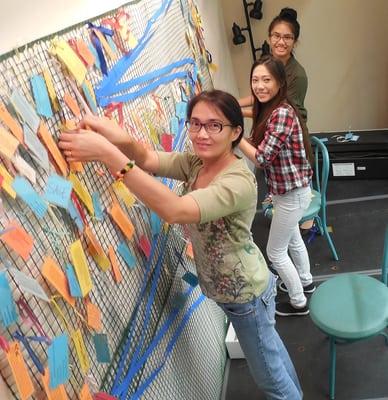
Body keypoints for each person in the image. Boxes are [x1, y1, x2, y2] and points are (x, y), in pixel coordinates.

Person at [59, 90, 303, 399]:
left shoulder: (237, 180)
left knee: (269, 377)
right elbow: (147, 159)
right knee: (273, 358)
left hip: (247, 296)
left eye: (215, 126)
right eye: (195, 123)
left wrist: (109, 155)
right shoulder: (197, 163)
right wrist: (118, 138)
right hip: (242, 291)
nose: (202, 133)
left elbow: (175, 210)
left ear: (235, 132)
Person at [238, 55, 314, 317]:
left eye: (266, 80)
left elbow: (261, 157)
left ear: (280, 82)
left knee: (275, 252)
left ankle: (298, 301)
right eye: (255, 80)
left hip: (292, 194)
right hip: (290, 191)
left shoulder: (280, 112)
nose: (260, 86)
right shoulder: (271, 109)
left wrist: (234, 137)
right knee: (292, 237)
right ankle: (305, 280)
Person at [239, 7, 308, 123]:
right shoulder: (267, 64)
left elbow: (281, 113)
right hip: (269, 125)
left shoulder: (298, 75)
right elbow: (261, 93)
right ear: (269, 38)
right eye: (276, 36)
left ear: (295, 42)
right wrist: (234, 102)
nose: (281, 42)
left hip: (289, 131)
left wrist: (238, 111)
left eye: (287, 37)